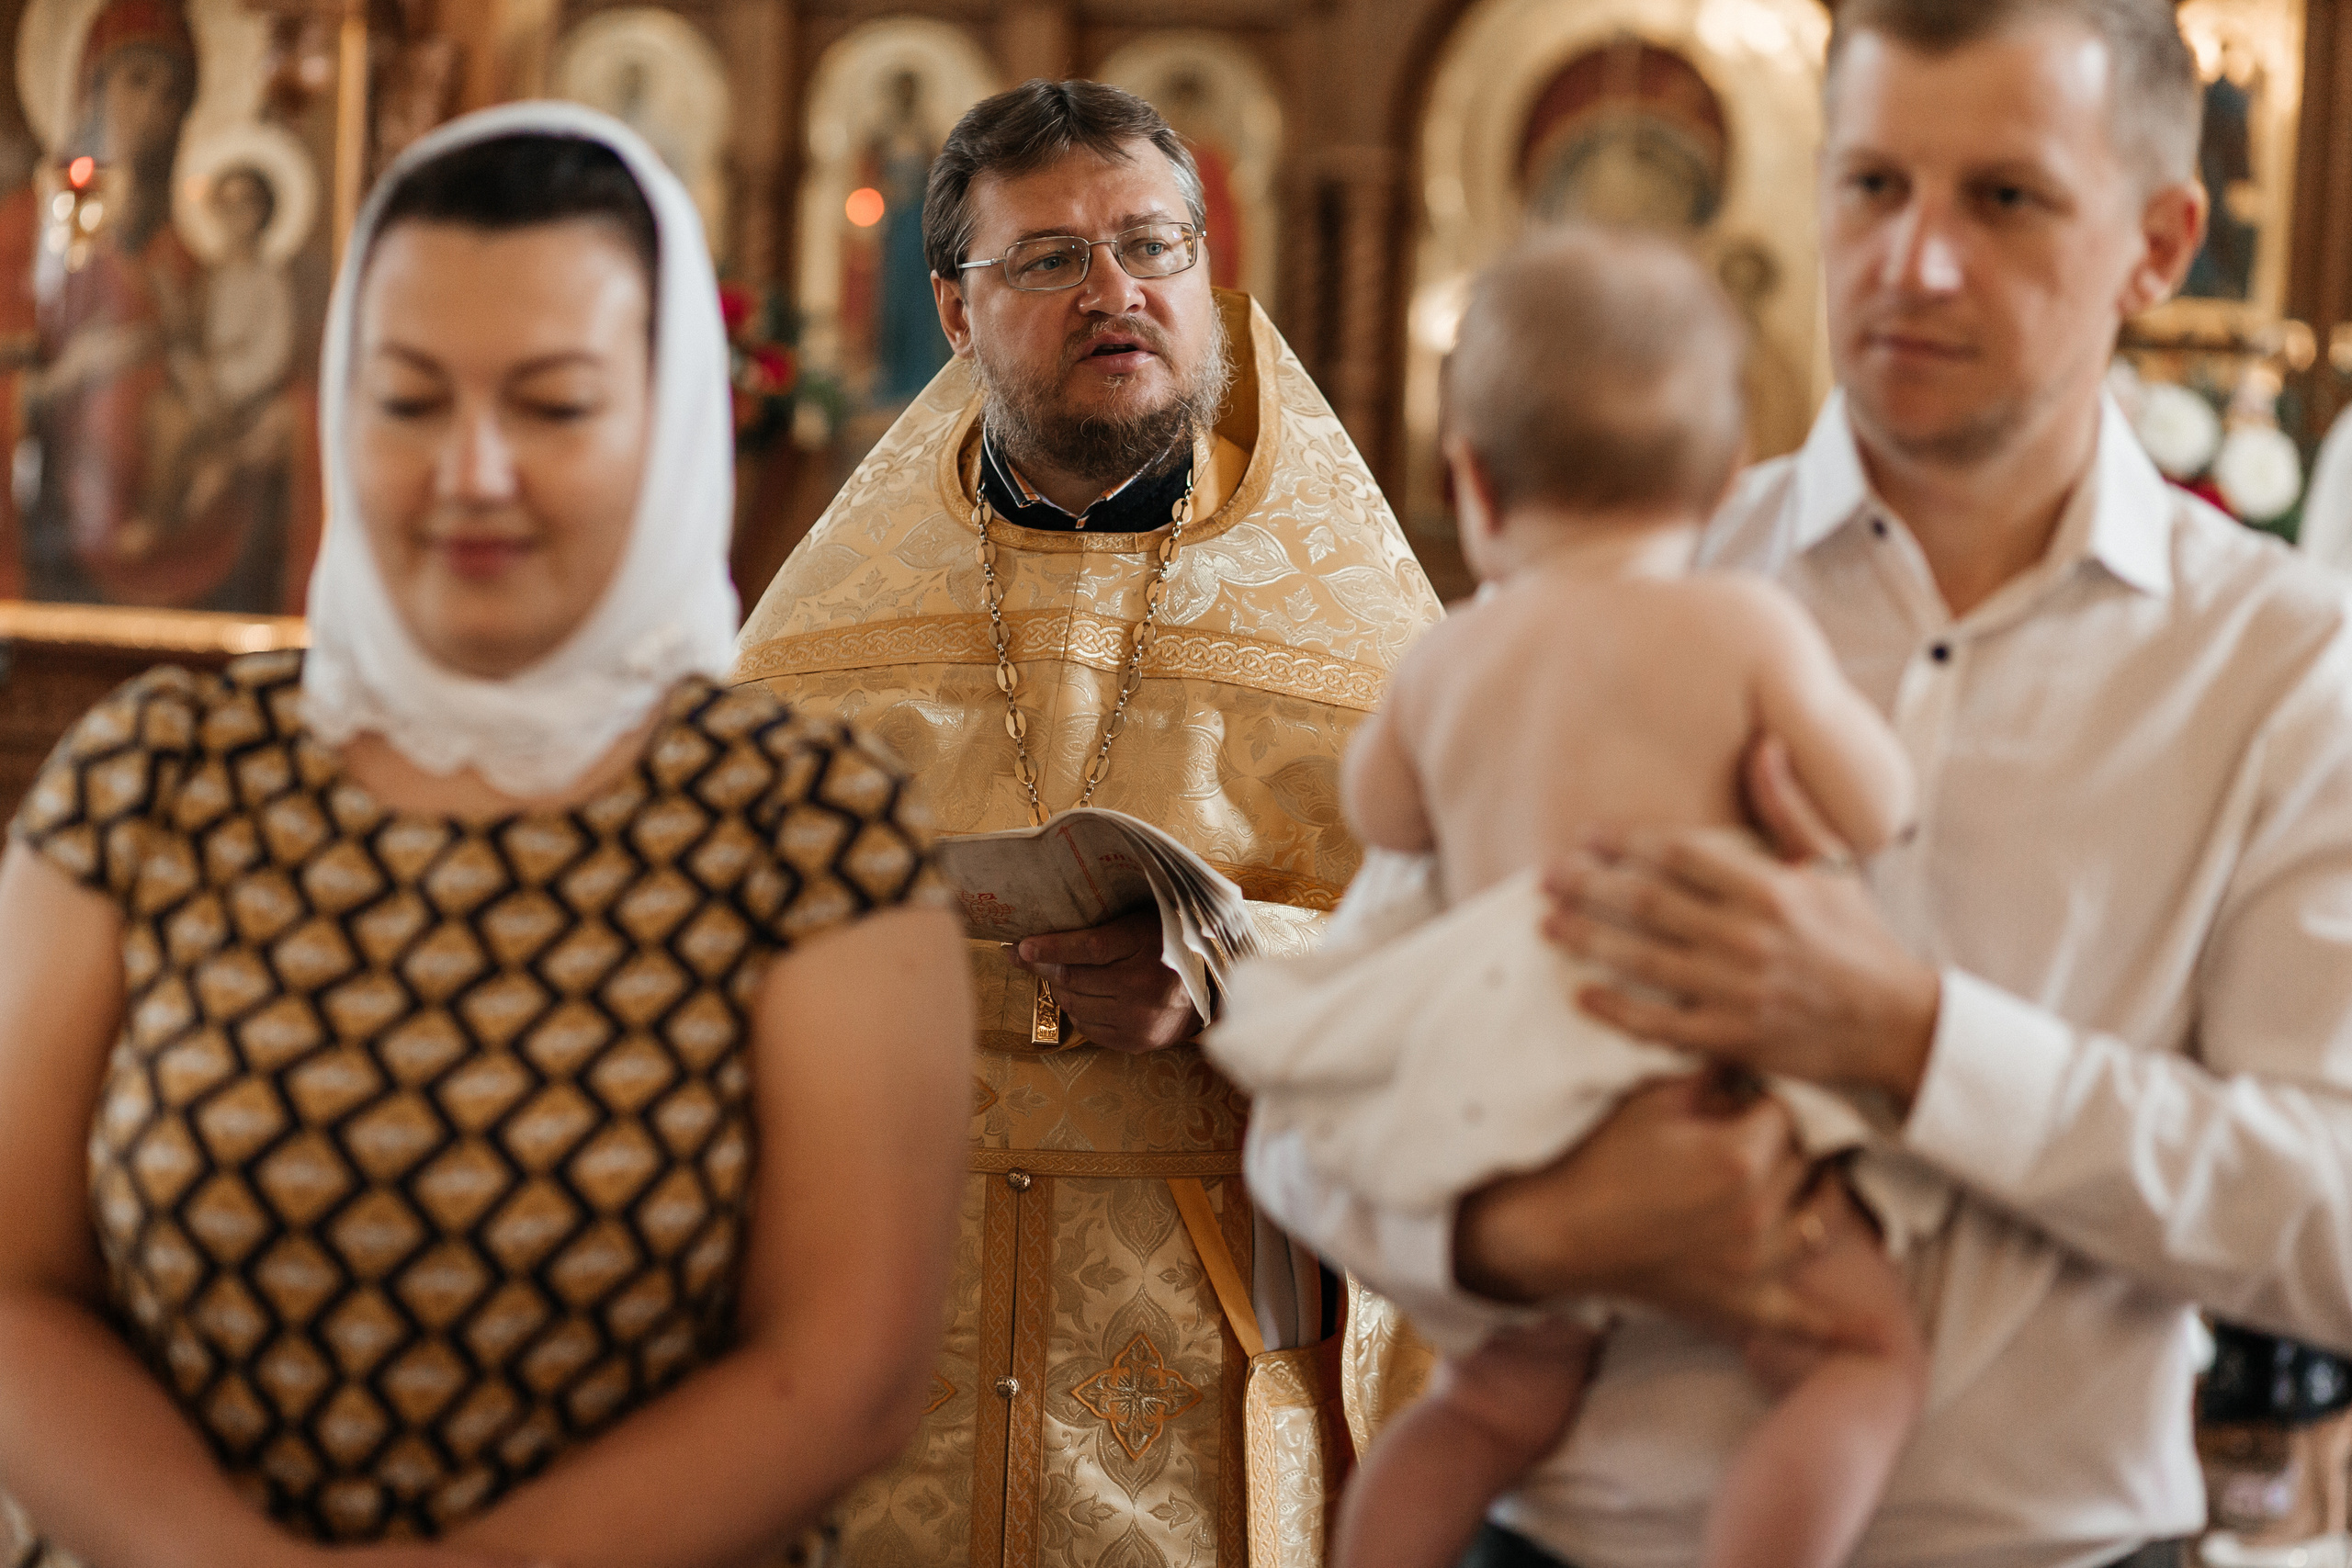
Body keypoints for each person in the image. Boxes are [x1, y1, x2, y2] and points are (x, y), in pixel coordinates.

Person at [1248, 4, 2352, 1566]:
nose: (1918, 263)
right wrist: (1525, 1236)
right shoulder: (1601, 579)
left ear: (2159, 243)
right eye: (1873, 186)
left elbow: (2333, 1221)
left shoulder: (2284, 663)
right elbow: (1307, 1110)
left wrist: (1917, 1040)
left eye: (2007, 198)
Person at [0, 104, 970, 1568]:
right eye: (407, 399)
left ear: (668, 422)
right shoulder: (150, 779)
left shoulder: (810, 827)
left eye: (553, 404)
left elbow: (843, 1370)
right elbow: (10, 1286)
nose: (473, 471)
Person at [732, 77, 1442, 1568]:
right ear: (955, 308)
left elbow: (1473, 971)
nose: (1114, 289)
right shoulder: (817, 638)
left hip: (1201, 1356)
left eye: (1153, 246)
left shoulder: (1361, 635)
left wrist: (1240, 965)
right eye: (1047, 259)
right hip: (891, 1334)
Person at [1214, 227, 1926, 1568]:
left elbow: (1378, 815)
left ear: (1470, 480)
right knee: (1858, 1360)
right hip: (1693, 1065)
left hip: (1511, 1090)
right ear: (1725, 480)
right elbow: (1880, 805)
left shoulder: (1451, 660)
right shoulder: (1747, 627)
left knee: (1485, 1402)